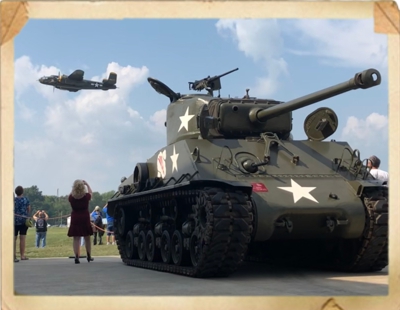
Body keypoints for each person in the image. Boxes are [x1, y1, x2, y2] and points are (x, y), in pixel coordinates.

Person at [67, 179, 94, 264]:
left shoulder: (72, 197)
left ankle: (76, 256)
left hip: (75, 216)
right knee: (87, 237)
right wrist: (87, 184)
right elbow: (91, 192)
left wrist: (73, 189)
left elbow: (69, 195)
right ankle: (89, 255)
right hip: (84, 216)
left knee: (76, 238)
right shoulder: (86, 196)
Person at [14, 186, 31, 262]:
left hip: (14, 221)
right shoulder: (25, 199)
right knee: (22, 238)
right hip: (23, 220)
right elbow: (28, 209)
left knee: (14, 239)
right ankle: (22, 255)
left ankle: (13, 255)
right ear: (22, 192)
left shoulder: (13, 200)